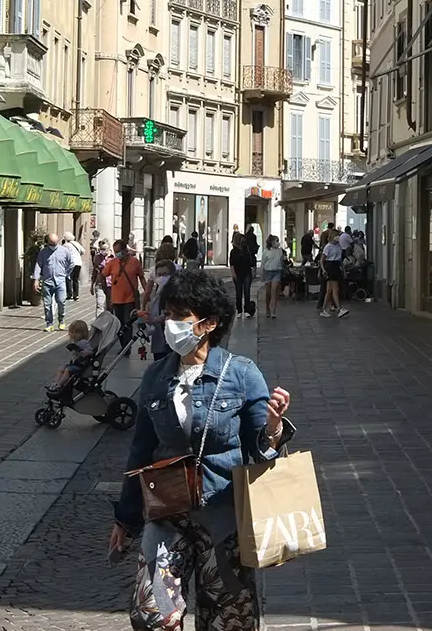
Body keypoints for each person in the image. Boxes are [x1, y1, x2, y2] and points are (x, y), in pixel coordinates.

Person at [110, 270, 294, 630]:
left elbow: (261, 450)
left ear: (208, 323)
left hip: (222, 521)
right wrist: (125, 520)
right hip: (166, 520)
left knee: (227, 623)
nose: (170, 324)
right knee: (154, 616)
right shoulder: (156, 378)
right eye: (169, 314)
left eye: (181, 316)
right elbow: (140, 452)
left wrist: (273, 430)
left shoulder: (241, 374)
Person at [104, 238, 147, 344]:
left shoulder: (134, 262)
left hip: (130, 299)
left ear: (125, 250)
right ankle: (123, 344)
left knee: (128, 323)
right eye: (115, 251)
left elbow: (141, 277)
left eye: (118, 251)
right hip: (116, 299)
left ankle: (126, 347)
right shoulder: (113, 263)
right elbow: (102, 275)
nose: (117, 254)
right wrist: (107, 292)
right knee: (119, 324)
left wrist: (147, 292)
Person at [34, 232, 74, 332]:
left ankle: (61, 320)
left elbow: (71, 263)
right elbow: (39, 265)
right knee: (47, 304)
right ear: (48, 243)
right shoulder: (43, 252)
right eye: (52, 244)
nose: (54, 246)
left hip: (60, 281)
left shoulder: (64, 251)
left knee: (61, 301)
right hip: (47, 281)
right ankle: (49, 323)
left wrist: (66, 274)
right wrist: (36, 279)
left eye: (55, 243)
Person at [50, 320, 94, 390]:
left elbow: (90, 351)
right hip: (74, 364)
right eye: (71, 332)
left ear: (83, 334)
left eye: (76, 333)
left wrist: (85, 353)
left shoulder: (84, 342)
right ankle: (55, 383)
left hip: (80, 365)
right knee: (61, 368)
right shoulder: (76, 342)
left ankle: (59, 384)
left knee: (67, 370)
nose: (73, 334)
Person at [320, 226, 348, 319]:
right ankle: (339, 308)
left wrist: (343, 270)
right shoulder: (328, 247)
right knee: (335, 289)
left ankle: (324, 309)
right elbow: (322, 260)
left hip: (336, 267)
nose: (338, 237)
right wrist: (323, 270)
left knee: (329, 291)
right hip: (330, 267)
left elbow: (340, 260)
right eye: (336, 235)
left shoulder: (339, 246)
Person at [229, 232, 255, 318]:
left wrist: (253, 270)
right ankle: (239, 310)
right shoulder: (233, 251)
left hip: (247, 272)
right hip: (238, 273)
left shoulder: (246, 249)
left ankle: (247, 309)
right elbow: (231, 264)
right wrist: (233, 273)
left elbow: (250, 261)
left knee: (247, 292)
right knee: (238, 292)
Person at [260, 235, 286, 319]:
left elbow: (281, 260)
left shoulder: (280, 251)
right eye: (276, 241)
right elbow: (263, 263)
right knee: (268, 292)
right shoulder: (266, 251)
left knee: (274, 290)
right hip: (268, 272)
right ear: (271, 242)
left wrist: (284, 259)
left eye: (278, 241)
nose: (278, 243)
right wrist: (262, 274)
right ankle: (267, 307)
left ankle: (273, 310)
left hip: (277, 271)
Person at [90, 237, 113, 312]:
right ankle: (99, 323)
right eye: (101, 249)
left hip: (111, 284)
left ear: (109, 248)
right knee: (100, 305)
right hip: (100, 284)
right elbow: (95, 271)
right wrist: (92, 284)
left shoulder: (114, 257)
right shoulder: (97, 257)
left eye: (104, 249)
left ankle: (110, 322)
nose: (103, 251)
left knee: (110, 306)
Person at [64, 232, 85, 303]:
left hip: (71, 264)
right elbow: (83, 251)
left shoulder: (65, 245)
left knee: (68, 278)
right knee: (75, 279)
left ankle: (69, 294)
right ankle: (76, 295)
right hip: (78, 263)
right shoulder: (77, 243)